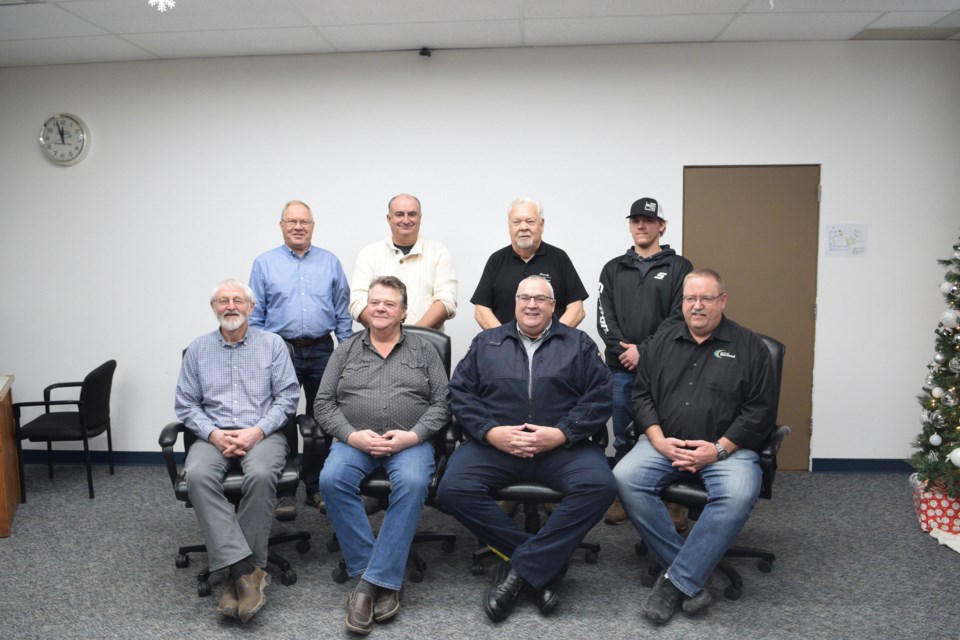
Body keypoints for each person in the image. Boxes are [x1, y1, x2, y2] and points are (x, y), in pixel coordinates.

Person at [438, 275, 617, 623]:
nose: (531, 304)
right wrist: (491, 432)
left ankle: (518, 571)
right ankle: (544, 567)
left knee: (601, 486)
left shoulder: (578, 344)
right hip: (497, 445)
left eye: (540, 299)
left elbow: (600, 397)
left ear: (554, 307)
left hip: (562, 448)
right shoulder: (486, 342)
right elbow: (460, 393)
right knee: (452, 488)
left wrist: (562, 434)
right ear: (515, 303)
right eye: (525, 298)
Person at [613, 269, 777, 624]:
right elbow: (641, 396)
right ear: (682, 303)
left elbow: (760, 410)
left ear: (723, 301)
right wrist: (657, 438)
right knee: (624, 477)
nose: (697, 306)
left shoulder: (751, 348)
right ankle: (689, 570)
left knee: (736, 494)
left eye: (706, 298)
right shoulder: (661, 342)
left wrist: (717, 449)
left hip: (727, 449)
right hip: (664, 442)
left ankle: (676, 582)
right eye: (690, 299)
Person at [316, 276, 450, 635]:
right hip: (354, 440)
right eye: (374, 302)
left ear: (403, 312)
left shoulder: (424, 351)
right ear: (365, 309)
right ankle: (379, 578)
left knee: (413, 480)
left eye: (389, 304)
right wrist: (351, 435)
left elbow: (442, 404)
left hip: (408, 441)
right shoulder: (344, 350)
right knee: (330, 480)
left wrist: (413, 435)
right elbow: (323, 404)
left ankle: (367, 586)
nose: (380, 308)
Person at [174, 279, 300, 623]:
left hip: (263, 433)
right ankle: (247, 570)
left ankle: (237, 574)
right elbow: (185, 405)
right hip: (212, 435)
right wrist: (213, 434)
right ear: (214, 308)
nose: (231, 306)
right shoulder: (198, 349)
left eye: (238, 300)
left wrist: (256, 432)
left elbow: (287, 398)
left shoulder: (273, 345)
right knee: (197, 475)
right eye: (223, 301)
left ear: (251, 307)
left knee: (260, 473)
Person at [248, 199, 353, 518]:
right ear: (281, 225)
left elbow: (342, 312)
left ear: (312, 226)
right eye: (291, 221)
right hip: (280, 352)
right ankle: (284, 492)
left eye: (304, 222)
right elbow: (255, 316)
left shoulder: (330, 262)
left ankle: (316, 486)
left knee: (324, 419)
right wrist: (263, 355)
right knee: (281, 421)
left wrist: (346, 353)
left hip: (322, 349)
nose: (298, 227)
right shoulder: (264, 264)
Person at [597, 197, 692, 525]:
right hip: (621, 369)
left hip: (667, 370)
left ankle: (673, 501)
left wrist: (645, 350)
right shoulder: (613, 268)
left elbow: (680, 317)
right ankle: (623, 498)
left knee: (669, 433)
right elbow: (603, 315)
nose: (641, 225)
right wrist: (625, 350)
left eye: (648, 220)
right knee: (624, 435)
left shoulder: (680, 268)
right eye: (635, 220)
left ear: (661, 226)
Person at [471, 197, 588, 330]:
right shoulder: (496, 260)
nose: (523, 227)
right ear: (509, 226)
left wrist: (554, 340)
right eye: (516, 222)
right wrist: (504, 341)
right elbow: (481, 311)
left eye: (530, 221)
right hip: (504, 347)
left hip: (554, 349)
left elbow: (576, 310)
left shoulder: (559, 258)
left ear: (542, 224)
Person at [350, 193, 457, 331]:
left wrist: (412, 337)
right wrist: (387, 334)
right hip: (379, 344)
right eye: (399, 214)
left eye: (412, 214)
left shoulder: (439, 252)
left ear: (420, 218)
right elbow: (358, 302)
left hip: (427, 344)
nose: (406, 220)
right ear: (389, 219)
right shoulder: (369, 254)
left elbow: (446, 300)